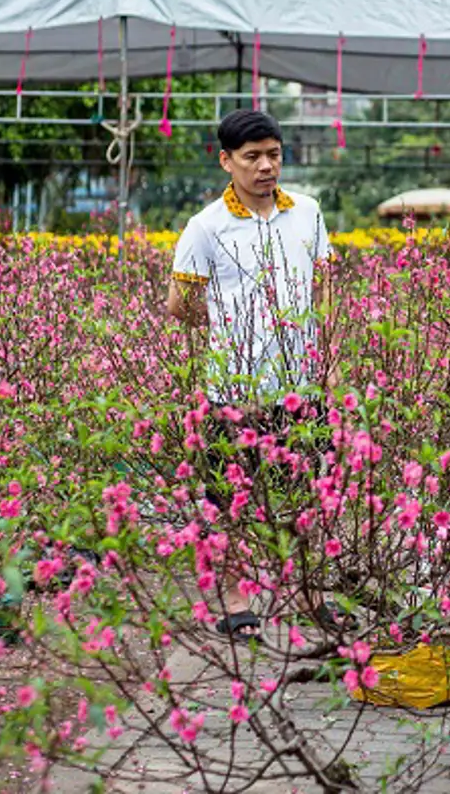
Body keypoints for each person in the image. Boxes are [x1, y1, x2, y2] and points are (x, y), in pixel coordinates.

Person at [167, 108, 333, 641]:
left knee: (310, 495)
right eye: (252, 157)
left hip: (301, 386)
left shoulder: (306, 212)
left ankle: (311, 596)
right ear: (226, 161)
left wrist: (316, 343)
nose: (266, 166)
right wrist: (233, 331)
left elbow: (323, 280)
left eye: (274, 155)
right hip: (232, 392)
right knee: (227, 503)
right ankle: (238, 602)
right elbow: (180, 303)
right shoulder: (206, 226)